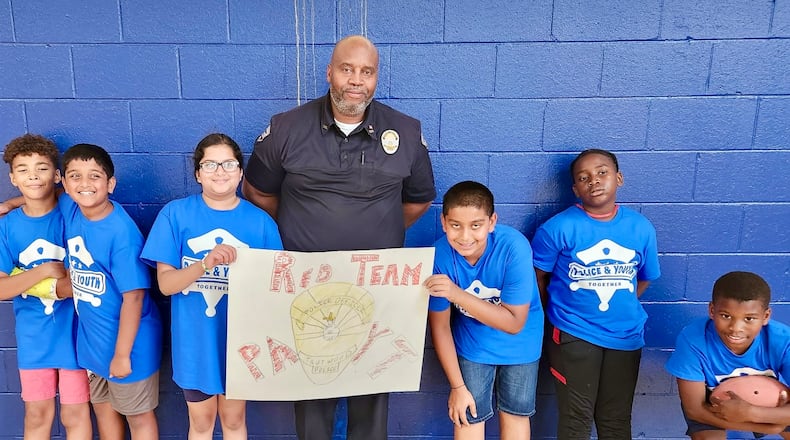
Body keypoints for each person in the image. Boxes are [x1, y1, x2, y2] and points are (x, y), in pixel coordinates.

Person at [242, 35, 436, 440]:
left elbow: (418, 200)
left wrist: (377, 229)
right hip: (306, 288)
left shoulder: (405, 130)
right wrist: (301, 227)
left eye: (367, 72)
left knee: (371, 391)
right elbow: (257, 191)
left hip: (378, 290)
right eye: (347, 69)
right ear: (329, 72)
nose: (356, 80)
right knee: (312, 393)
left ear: (376, 79)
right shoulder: (286, 127)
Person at [140, 133, 283, 439]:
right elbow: (165, 285)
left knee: (233, 420)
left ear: (241, 172)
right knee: (202, 423)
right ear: (197, 173)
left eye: (229, 163)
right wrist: (204, 264)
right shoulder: (175, 215)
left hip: (240, 344)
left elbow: (274, 292)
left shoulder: (261, 223)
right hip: (195, 344)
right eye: (210, 164)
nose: (220, 171)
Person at [532, 148, 661, 440]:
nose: (594, 181)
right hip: (573, 334)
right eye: (584, 177)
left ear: (619, 178)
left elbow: (644, 279)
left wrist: (618, 303)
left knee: (615, 419)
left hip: (625, 336)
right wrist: (557, 313)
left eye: (602, 172)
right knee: (576, 419)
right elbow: (538, 276)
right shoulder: (558, 228)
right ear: (575, 188)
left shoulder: (640, 227)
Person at [424, 181, 544, 440]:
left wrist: (456, 293)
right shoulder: (439, 255)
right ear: (444, 223)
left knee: (515, 415)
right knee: (467, 414)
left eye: (476, 225)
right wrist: (457, 386)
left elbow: (514, 323)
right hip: (473, 345)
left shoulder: (514, 247)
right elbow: (440, 326)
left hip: (520, 344)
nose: (465, 237)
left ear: (492, 222)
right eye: (456, 225)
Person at [61, 143, 162, 440]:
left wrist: (121, 355)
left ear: (110, 184)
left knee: (138, 417)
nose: (85, 184)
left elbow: (135, 296)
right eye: (75, 177)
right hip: (94, 344)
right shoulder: (72, 209)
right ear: (64, 183)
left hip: (129, 345)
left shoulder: (121, 232)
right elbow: (44, 193)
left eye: (94, 176)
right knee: (104, 411)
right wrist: (12, 205)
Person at [0, 134, 92, 440]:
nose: (32, 176)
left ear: (56, 176)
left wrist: (30, 280)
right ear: (12, 177)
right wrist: (42, 271)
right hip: (34, 338)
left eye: (41, 168)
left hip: (75, 336)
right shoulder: (8, 226)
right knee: (37, 414)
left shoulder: (72, 210)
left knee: (74, 414)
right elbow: (2, 288)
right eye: (23, 170)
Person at [665, 271, 790, 439]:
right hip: (712, 405)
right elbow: (694, 410)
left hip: (769, 405)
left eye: (749, 319)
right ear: (712, 310)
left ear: (765, 316)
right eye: (726, 316)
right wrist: (770, 428)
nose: (736, 328)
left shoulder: (782, 340)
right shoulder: (693, 340)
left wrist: (753, 413)